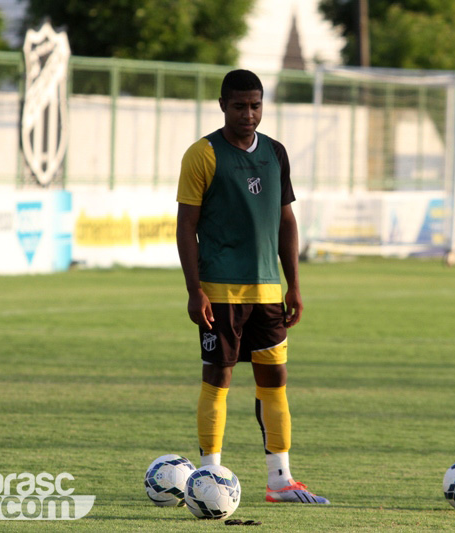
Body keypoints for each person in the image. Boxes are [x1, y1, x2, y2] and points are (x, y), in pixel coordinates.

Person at [176, 69, 329, 505]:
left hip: (267, 292)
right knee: (219, 377)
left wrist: (293, 285)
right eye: (240, 105)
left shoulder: (276, 153)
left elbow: (285, 221)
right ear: (222, 105)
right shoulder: (203, 154)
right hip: (220, 291)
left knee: (275, 380)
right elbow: (186, 227)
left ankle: (280, 480)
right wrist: (194, 289)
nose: (249, 114)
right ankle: (208, 477)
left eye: (256, 105)